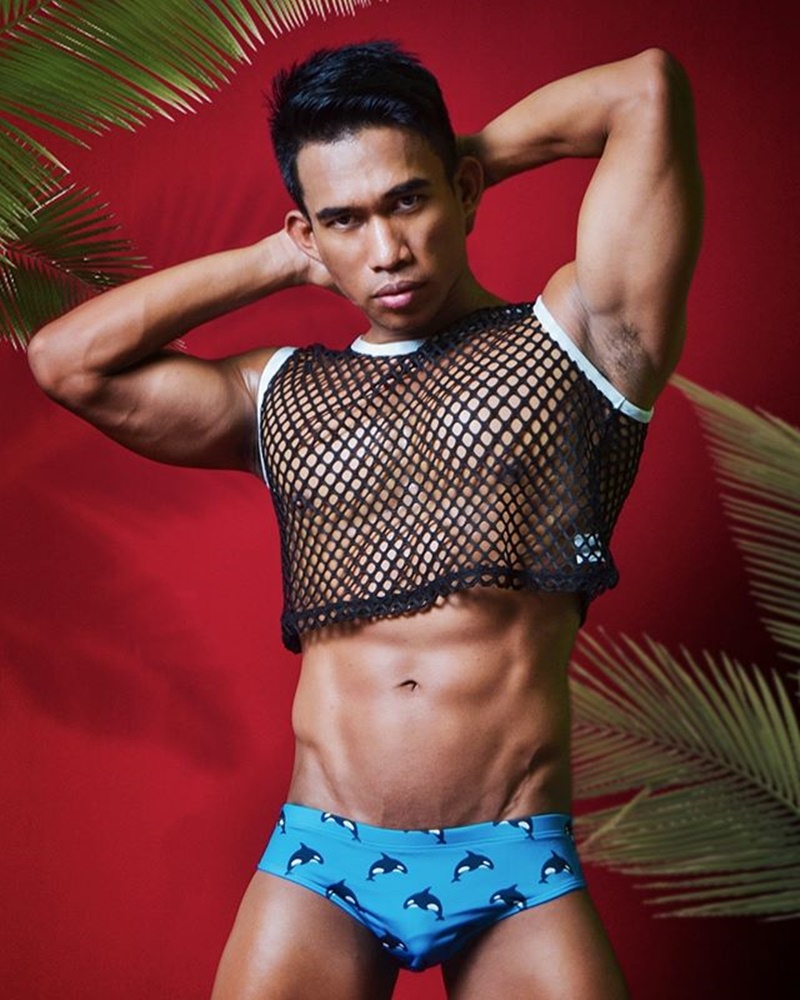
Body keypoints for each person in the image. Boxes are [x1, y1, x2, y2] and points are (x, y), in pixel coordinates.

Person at [27, 39, 702, 1000]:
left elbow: (644, 88)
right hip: (323, 860)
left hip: (516, 858)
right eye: (345, 220)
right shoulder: (280, 395)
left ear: (462, 191)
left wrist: (457, 160)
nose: (386, 251)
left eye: (408, 202)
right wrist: (283, 255)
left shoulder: (581, 345)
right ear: (309, 232)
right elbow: (66, 361)